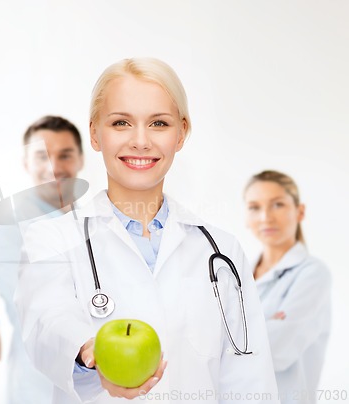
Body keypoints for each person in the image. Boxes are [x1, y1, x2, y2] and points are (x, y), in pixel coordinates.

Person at [15, 58, 279, 403]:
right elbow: (47, 322)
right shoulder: (52, 241)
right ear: (95, 133)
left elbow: (250, 381)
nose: (140, 141)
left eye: (158, 123)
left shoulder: (222, 251)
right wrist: (90, 352)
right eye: (121, 122)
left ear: (181, 133)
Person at [0, 115, 84, 403]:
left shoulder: (96, 223)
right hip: (38, 386)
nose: (53, 167)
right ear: (26, 163)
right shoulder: (9, 228)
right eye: (42, 156)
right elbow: (34, 309)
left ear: (80, 160)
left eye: (64, 155)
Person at [244, 170, 331, 404]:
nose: (265, 217)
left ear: (299, 211)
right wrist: (265, 326)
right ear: (246, 217)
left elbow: (277, 349)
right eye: (254, 207)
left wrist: (223, 331)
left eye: (278, 205)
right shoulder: (236, 276)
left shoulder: (313, 274)